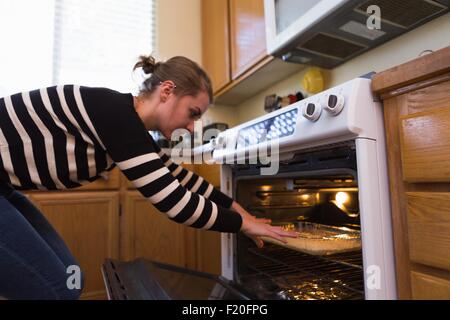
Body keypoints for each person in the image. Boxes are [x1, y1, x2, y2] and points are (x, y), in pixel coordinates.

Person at [0, 55, 297, 300]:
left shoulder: (126, 125)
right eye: (192, 113)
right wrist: (244, 225)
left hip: (5, 189)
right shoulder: (115, 114)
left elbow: (180, 178)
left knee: (69, 280)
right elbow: (174, 202)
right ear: (167, 91)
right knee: (55, 289)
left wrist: (237, 208)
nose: (193, 127)